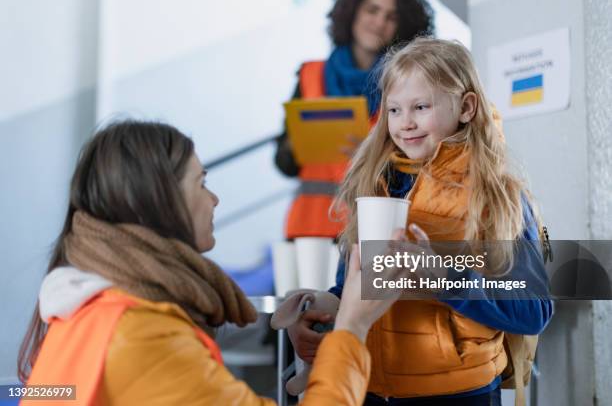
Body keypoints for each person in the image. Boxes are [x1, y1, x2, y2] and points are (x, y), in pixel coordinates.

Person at [17, 120, 412, 405]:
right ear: (159, 201)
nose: (215, 199)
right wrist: (352, 326)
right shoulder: (142, 336)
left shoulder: (86, 313)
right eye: (201, 183)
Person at [289, 38, 554, 405]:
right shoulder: (374, 184)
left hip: (458, 394)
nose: (405, 123)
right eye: (394, 110)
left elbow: (534, 310)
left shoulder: (496, 195)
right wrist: (324, 311)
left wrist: (445, 277)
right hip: (366, 386)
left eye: (421, 107)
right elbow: (353, 284)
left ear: (466, 107)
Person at [275, 0, 434, 240]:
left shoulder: (405, 85)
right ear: (351, 13)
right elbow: (284, 164)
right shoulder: (310, 75)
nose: (379, 22)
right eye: (372, 10)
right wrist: (296, 144)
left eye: (391, 17)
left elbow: (418, 168)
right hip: (308, 232)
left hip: (373, 231)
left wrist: (373, 158)